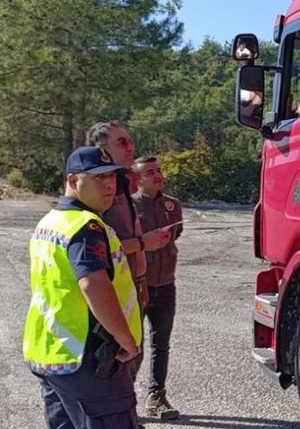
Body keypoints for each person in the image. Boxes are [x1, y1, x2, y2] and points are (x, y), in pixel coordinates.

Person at [22, 146, 142, 429]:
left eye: (111, 177)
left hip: (51, 354)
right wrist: (125, 338)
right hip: (88, 359)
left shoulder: (51, 222)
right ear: (74, 181)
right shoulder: (86, 227)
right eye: (98, 178)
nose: (109, 184)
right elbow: (93, 285)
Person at [86, 121, 170, 387]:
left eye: (130, 140)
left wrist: (141, 281)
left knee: (134, 357)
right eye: (122, 142)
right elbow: (97, 247)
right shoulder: (98, 193)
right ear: (103, 149)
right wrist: (144, 243)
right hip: (112, 289)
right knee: (117, 362)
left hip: (134, 285)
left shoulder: (121, 184)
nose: (131, 146)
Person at [132, 155, 183, 420]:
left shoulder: (173, 205)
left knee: (161, 343)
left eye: (159, 170)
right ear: (137, 179)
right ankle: (124, 400)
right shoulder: (128, 206)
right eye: (150, 172)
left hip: (166, 285)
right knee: (131, 345)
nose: (157, 175)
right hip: (137, 286)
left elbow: (178, 235)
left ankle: (156, 396)